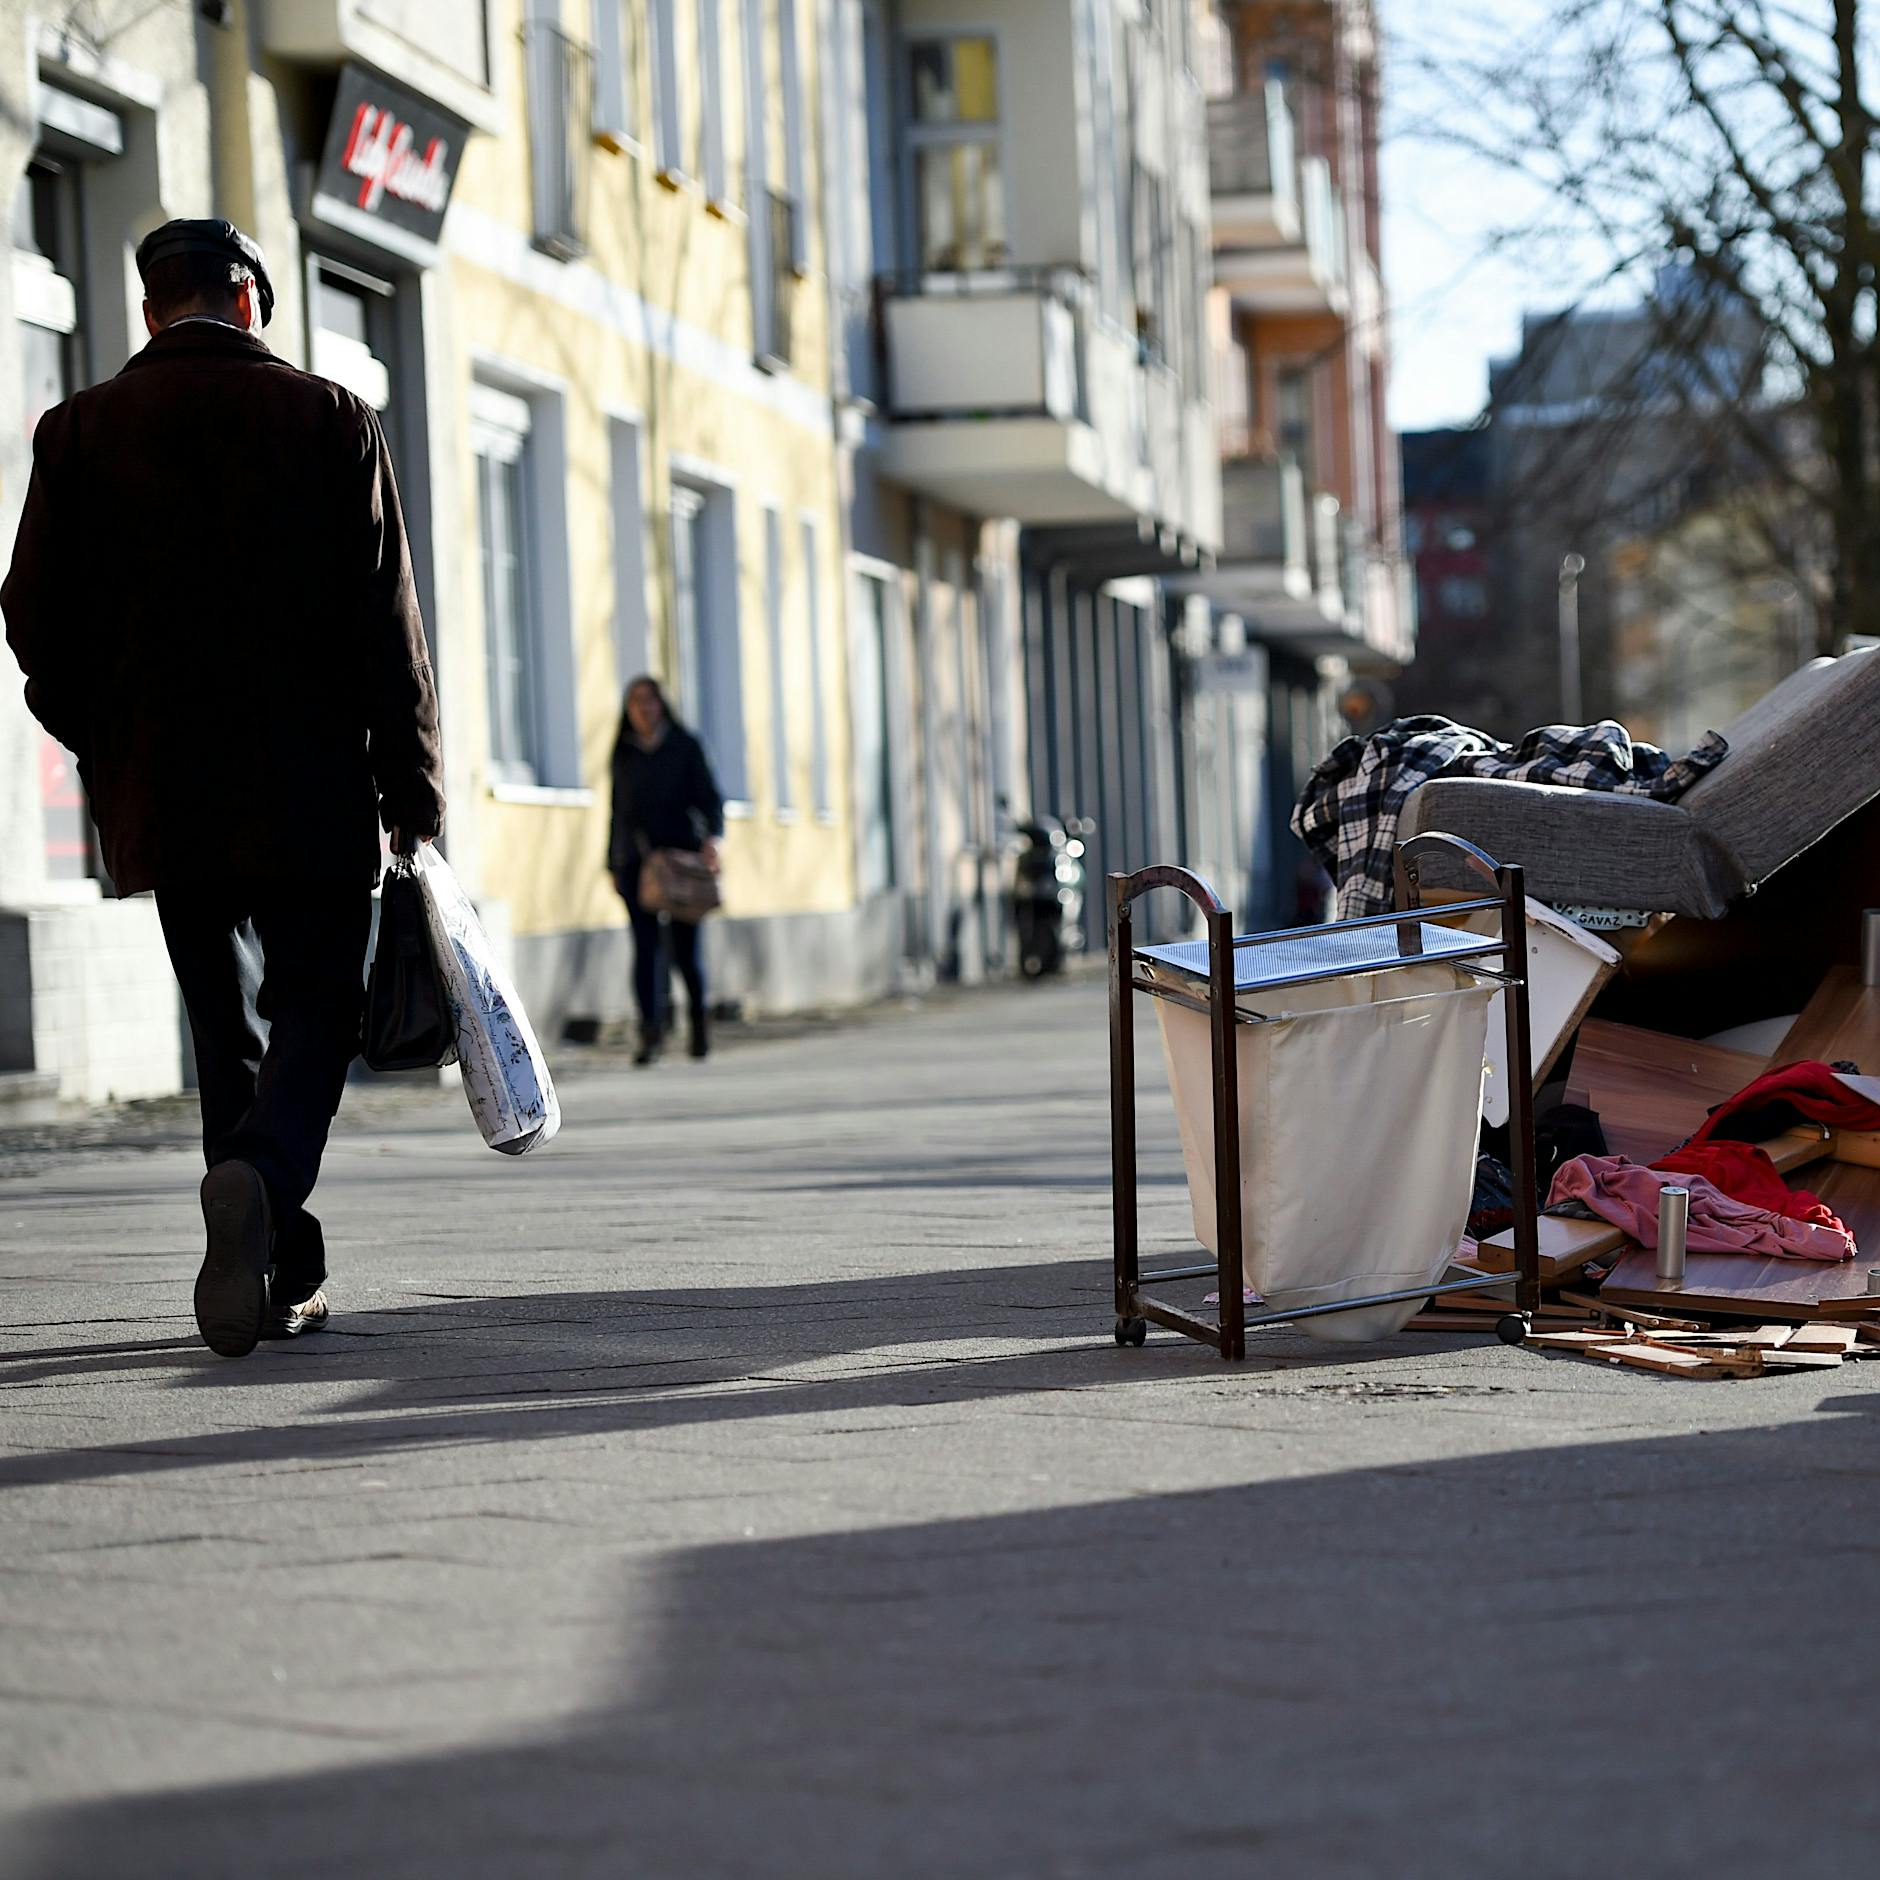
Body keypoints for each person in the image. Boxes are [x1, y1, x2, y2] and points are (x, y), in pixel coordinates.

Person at [2, 218, 444, 1357]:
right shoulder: (329, 417)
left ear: (154, 312)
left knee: (222, 1031)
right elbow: (386, 630)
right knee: (315, 1013)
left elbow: (32, 620)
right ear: (252, 300)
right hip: (310, 788)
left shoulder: (79, 430)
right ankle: (257, 1177)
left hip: (167, 797)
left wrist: (103, 737)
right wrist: (414, 792)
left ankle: (276, 1266)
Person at [607, 676, 724, 1064]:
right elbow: (616, 812)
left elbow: (710, 798)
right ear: (628, 710)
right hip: (636, 865)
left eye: (651, 701)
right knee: (645, 950)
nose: (644, 709)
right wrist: (612, 862)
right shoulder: (623, 752)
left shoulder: (684, 745)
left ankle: (699, 1024)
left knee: (686, 952)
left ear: (662, 706)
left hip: (682, 863)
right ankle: (650, 1033)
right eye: (636, 702)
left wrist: (713, 840)